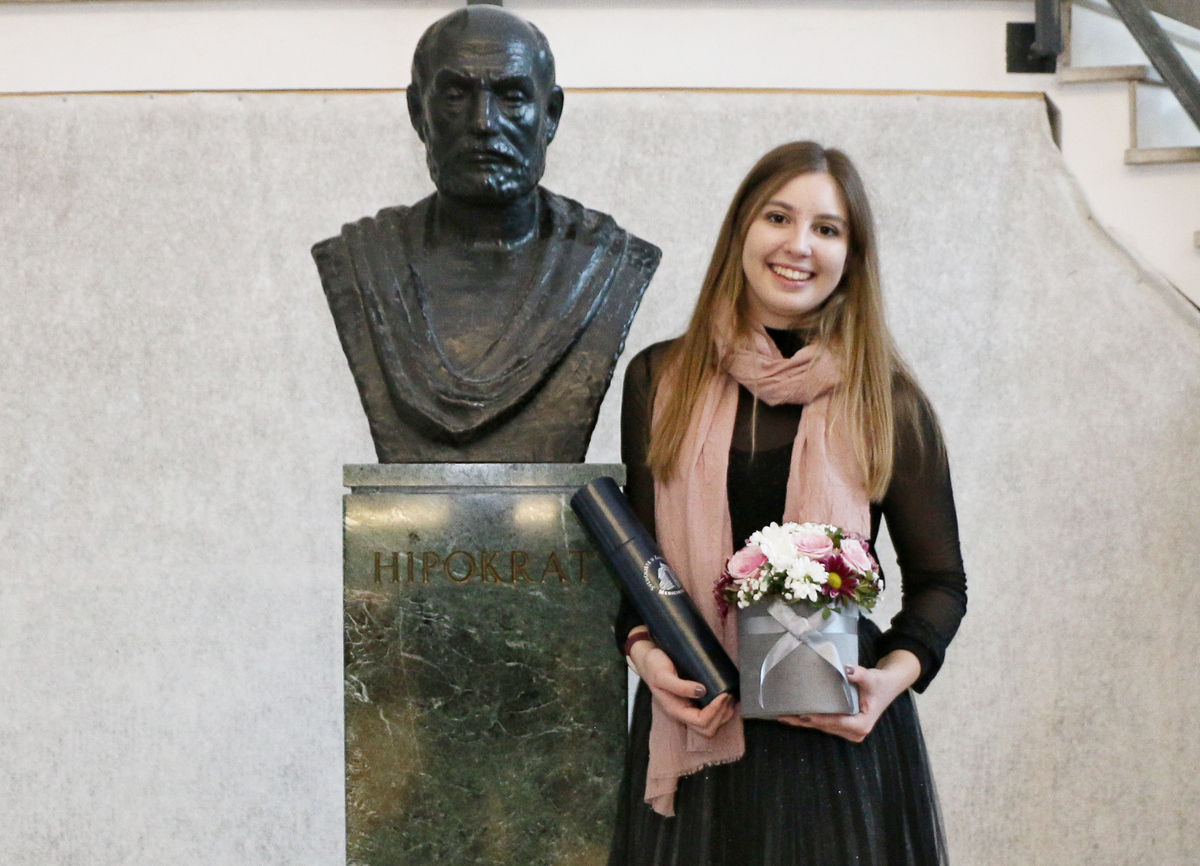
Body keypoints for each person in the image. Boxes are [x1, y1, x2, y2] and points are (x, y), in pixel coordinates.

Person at [611, 141, 967, 865]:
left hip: (832, 745)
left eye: (827, 229)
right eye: (779, 217)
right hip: (698, 727)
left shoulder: (887, 401)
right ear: (742, 229)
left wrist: (887, 684)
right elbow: (639, 576)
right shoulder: (659, 379)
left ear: (851, 255)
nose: (799, 245)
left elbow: (941, 584)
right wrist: (646, 658)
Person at [312, 6, 660, 463]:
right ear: (418, 112)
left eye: (512, 96)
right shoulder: (361, 263)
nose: (484, 122)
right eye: (456, 95)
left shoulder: (608, 261)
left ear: (550, 114)